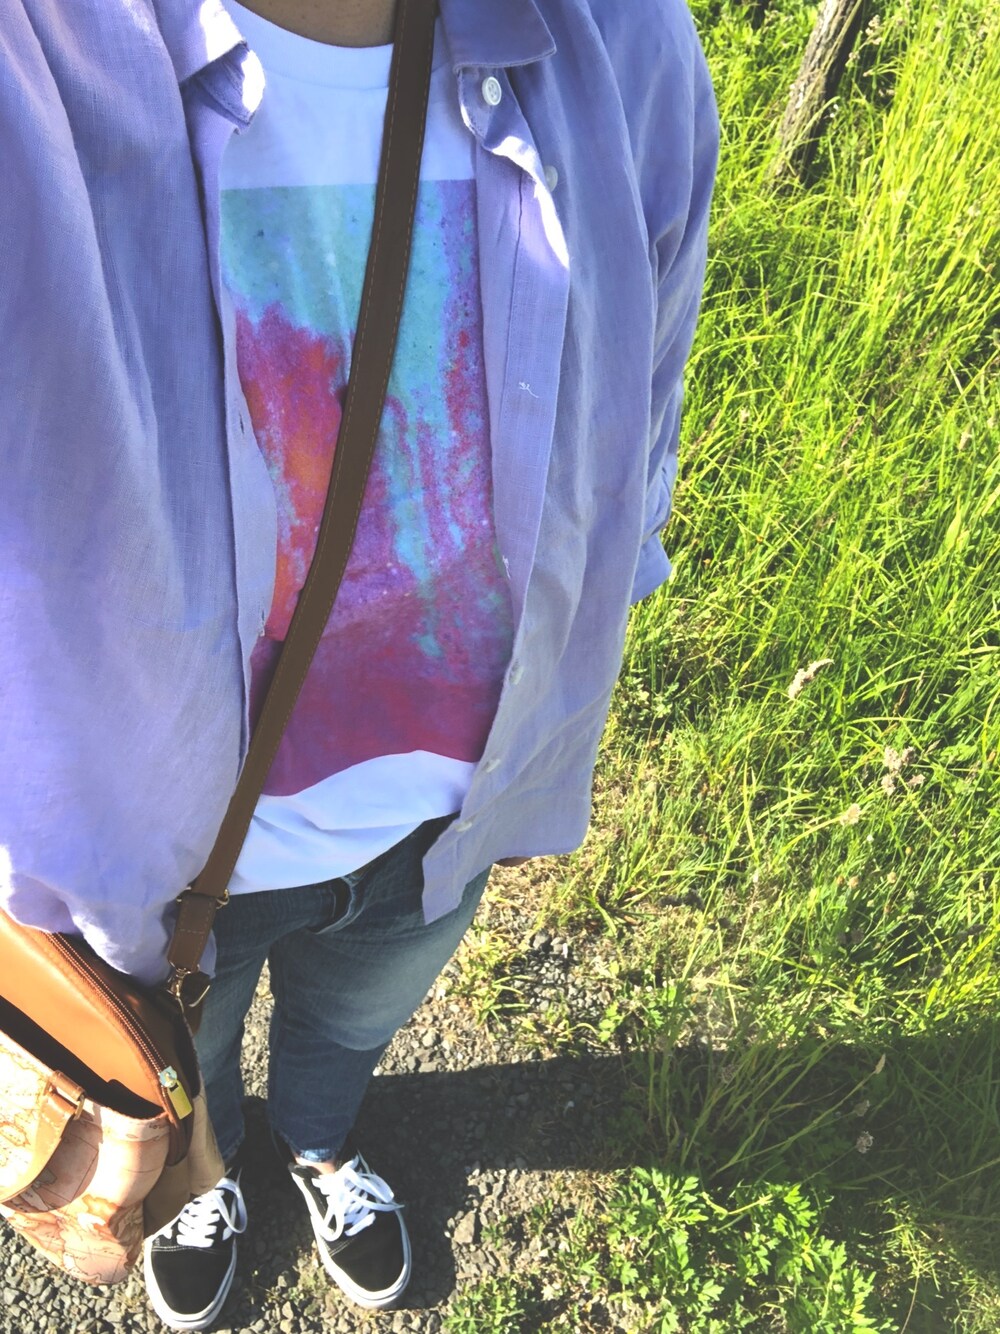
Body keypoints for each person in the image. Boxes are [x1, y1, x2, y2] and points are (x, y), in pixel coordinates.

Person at [0, 0, 718, 1327]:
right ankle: (213, 1175)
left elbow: (645, 410)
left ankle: (323, 1143)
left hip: (447, 822)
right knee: (192, 1061)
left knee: (351, 1029)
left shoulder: (622, 43)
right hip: (176, 876)